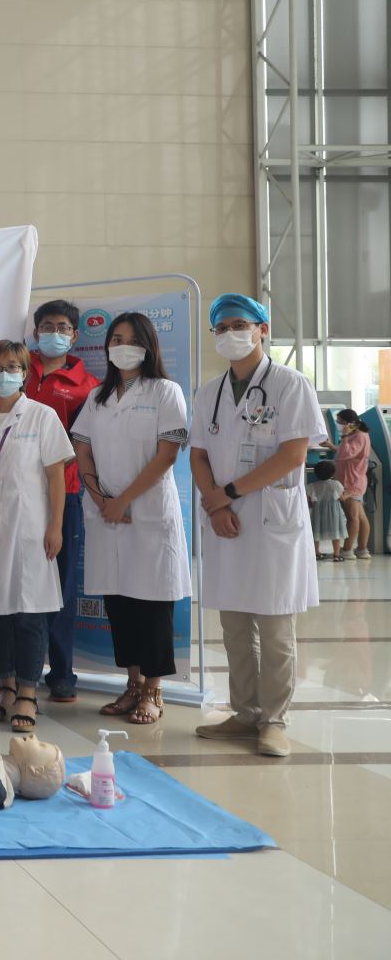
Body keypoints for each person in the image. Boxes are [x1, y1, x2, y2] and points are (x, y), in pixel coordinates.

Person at [191, 294, 323, 758]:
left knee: (274, 628)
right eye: (221, 327)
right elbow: (198, 454)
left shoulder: (290, 384)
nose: (230, 334)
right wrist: (216, 505)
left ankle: (274, 721)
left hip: (270, 521)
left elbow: (293, 455)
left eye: (239, 325)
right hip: (225, 520)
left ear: (262, 329)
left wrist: (227, 493)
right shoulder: (209, 393)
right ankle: (245, 713)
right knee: (234, 627)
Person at [70, 313, 192, 726]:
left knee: (152, 602)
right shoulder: (98, 397)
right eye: (115, 339)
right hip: (106, 514)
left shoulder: (165, 391)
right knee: (119, 604)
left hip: (147, 513)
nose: (122, 346)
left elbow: (167, 455)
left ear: (147, 346)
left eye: (131, 339)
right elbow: (82, 448)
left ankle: (154, 690)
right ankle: (133, 684)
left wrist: (122, 501)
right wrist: (101, 499)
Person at [0, 340, 74, 734]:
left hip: (30, 528)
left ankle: (28, 692)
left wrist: (55, 525)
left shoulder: (42, 416)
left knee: (30, 612)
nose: (4, 373)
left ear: (25, 373)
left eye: (13, 366)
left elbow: (55, 477)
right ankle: (8, 685)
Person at [24, 299, 99, 705]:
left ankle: (62, 673)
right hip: (15, 494)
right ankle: (19, 671)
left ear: (75, 335)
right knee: (17, 581)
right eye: (47, 326)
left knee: (62, 585)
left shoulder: (86, 386)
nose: (54, 333)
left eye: (63, 327)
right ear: (35, 332)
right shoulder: (17, 369)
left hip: (64, 494)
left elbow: (85, 444)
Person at [329, 410, 372, 559]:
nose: (338, 424)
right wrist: (331, 446)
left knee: (352, 517)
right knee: (360, 516)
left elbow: (346, 453)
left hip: (351, 482)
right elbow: (344, 451)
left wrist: (345, 436)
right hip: (353, 479)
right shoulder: (357, 434)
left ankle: (347, 550)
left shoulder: (359, 435)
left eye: (340, 421)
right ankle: (362, 549)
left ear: (350, 423)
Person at [307, 461, 347, 561]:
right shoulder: (336, 484)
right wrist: (350, 494)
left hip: (318, 512)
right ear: (332, 472)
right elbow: (342, 498)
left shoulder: (312, 485)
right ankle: (336, 555)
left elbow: (310, 501)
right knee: (335, 533)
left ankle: (316, 553)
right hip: (334, 512)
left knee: (316, 532)